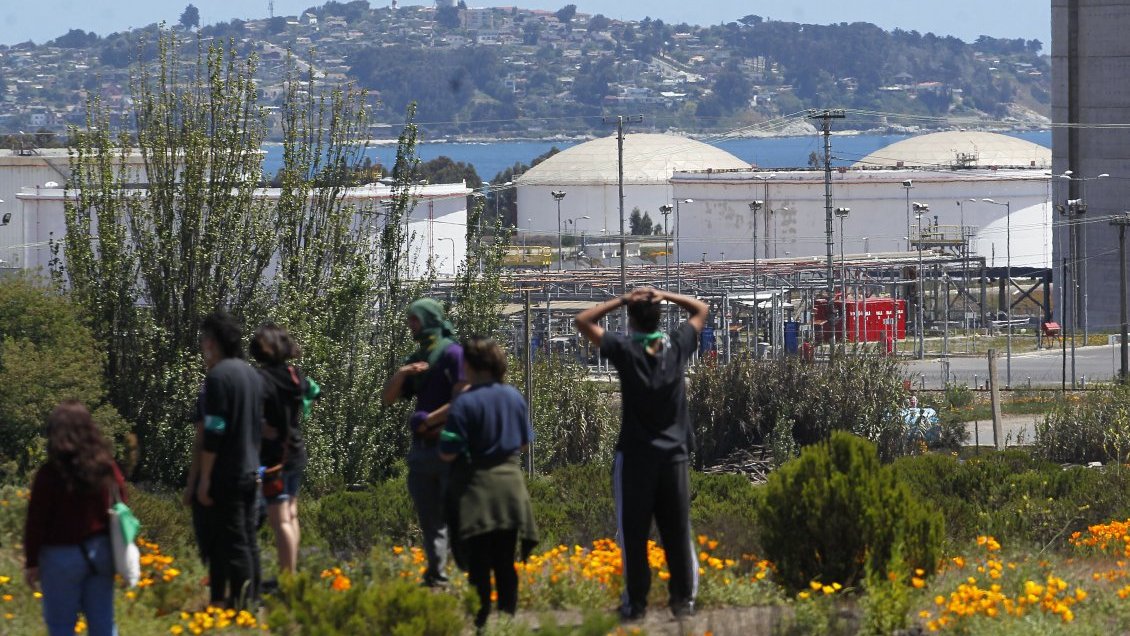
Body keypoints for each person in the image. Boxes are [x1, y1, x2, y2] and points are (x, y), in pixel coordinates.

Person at [574, 286, 709, 622]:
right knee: (676, 531)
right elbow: (701, 309)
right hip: (674, 456)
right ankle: (683, 602)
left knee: (633, 534)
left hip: (635, 456)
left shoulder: (625, 349)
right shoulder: (675, 346)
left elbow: (583, 321)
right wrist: (665, 294)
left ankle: (636, 604)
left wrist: (623, 299)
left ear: (631, 320)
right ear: (659, 317)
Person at [438, 337, 538, 630]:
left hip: (476, 490)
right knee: (505, 560)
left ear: (470, 365)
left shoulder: (464, 402)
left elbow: (447, 451)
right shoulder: (513, 396)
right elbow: (523, 444)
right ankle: (507, 622)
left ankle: (481, 624)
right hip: (511, 490)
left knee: (479, 564)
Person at [382, 298, 467, 587]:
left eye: (415, 319)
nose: (411, 326)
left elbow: (462, 398)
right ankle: (437, 575)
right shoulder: (419, 358)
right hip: (422, 450)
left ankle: (470, 571)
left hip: (450, 448)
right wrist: (403, 373)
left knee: (457, 514)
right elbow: (388, 398)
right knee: (429, 517)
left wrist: (429, 420)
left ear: (429, 319)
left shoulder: (453, 353)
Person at [24, 401, 127, 636]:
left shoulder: (49, 473)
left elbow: (36, 521)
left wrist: (32, 562)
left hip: (59, 557)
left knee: (61, 626)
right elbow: (121, 501)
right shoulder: (105, 467)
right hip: (100, 552)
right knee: (103, 624)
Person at [196, 310, 265, 608]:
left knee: (230, 542)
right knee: (248, 540)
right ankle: (251, 601)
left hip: (227, 472)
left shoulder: (218, 377)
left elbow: (215, 430)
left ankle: (238, 607)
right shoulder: (251, 375)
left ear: (212, 342)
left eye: (203, 341)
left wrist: (205, 478)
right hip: (251, 470)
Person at [250, 323, 316, 575]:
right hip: (295, 451)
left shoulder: (262, 379)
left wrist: (261, 426)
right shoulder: (294, 374)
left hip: (274, 458)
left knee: (280, 519)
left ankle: (288, 576)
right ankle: (291, 571)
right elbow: (312, 391)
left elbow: (254, 413)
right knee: (291, 514)